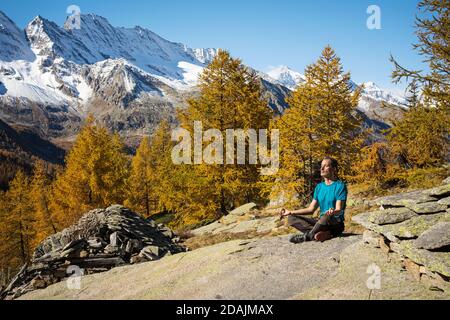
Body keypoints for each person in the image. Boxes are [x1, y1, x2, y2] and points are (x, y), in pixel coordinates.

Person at [280, 156, 347, 243]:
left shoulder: (340, 186)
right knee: (291, 218)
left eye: (326, 166)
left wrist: (333, 211)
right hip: (321, 222)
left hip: (335, 223)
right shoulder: (319, 187)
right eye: (321, 166)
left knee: (326, 217)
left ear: (334, 169)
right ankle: (322, 234)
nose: (322, 168)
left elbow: (339, 209)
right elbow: (311, 209)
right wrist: (290, 212)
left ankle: (308, 236)